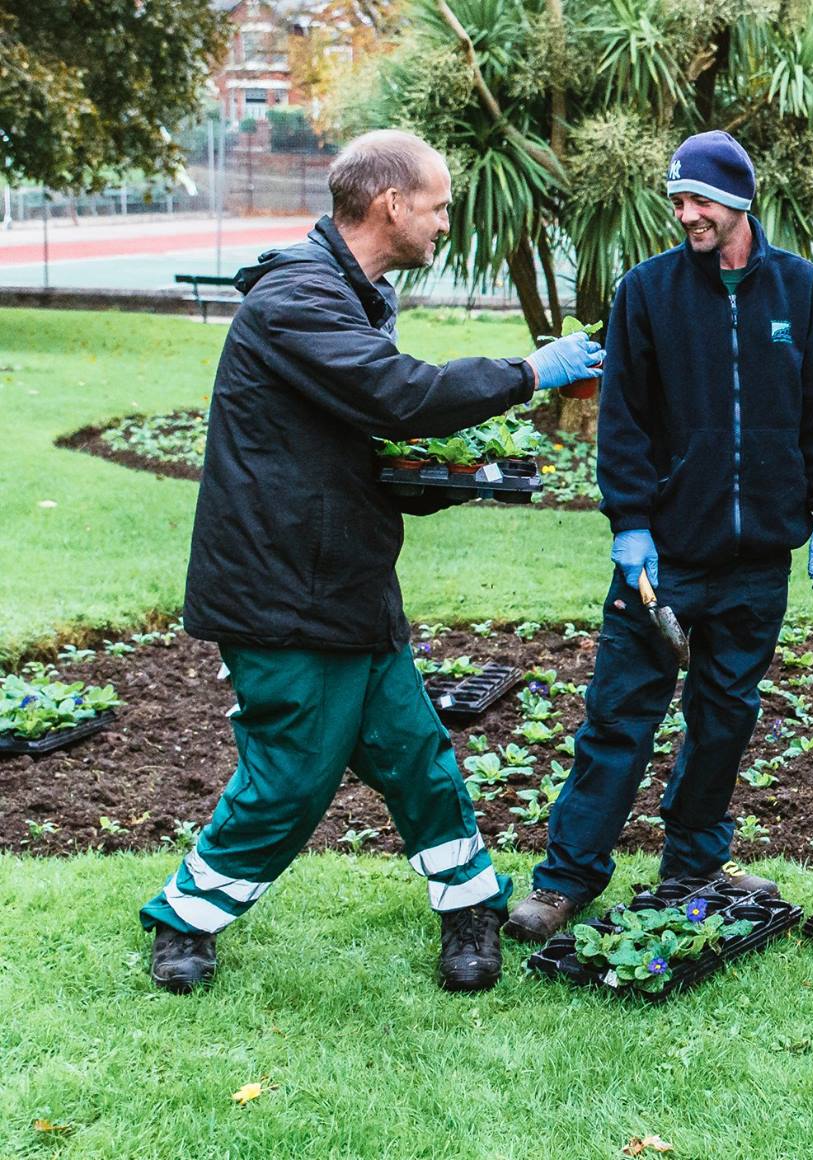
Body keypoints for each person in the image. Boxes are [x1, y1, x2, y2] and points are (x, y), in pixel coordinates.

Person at [142, 130, 605, 994]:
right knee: (290, 779)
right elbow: (403, 396)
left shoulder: (355, 295)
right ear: (393, 204)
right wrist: (529, 373)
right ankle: (185, 919)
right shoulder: (298, 300)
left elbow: (358, 443)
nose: (444, 224)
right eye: (437, 206)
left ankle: (470, 909)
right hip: (281, 593)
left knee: (415, 757)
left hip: (347, 581)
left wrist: (449, 479)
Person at [505, 131, 813, 942]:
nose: (685, 213)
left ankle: (696, 857)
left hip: (759, 558)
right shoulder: (648, 291)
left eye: (699, 200)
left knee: (726, 715)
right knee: (620, 715)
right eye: (679, 199)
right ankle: (565, 881)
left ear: (740, 202)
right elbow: (623, 421)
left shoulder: (801, 291)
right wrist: (631, 524)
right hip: (663, 559)